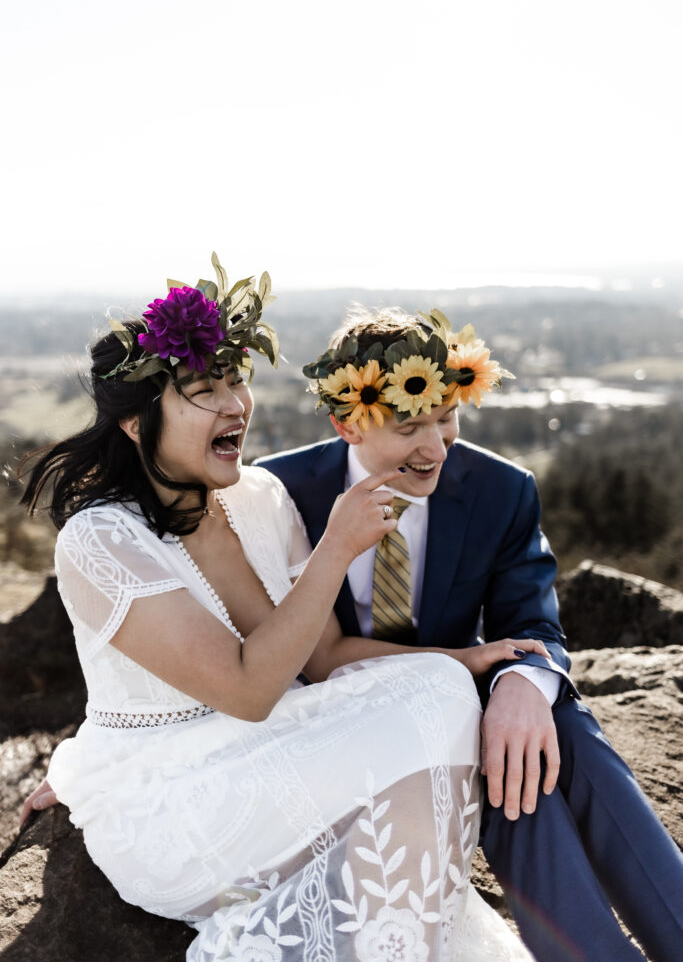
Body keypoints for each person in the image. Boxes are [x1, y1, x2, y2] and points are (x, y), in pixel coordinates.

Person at [19, 256, 536, 962]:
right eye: (203, 389)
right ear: (138, 425)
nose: (235, 405)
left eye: (237, 380)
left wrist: (463, 660)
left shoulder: (260, 498)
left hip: (267, 746)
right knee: (430, 716)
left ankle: (388, 941)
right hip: (172, 795)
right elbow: (246, 688)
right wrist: (336, 551)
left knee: (443, 691)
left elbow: (321, 659)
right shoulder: (101, 538)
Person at [255, 304, 683, 962]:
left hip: (450, 699)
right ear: (346, 421)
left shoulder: (501, 490)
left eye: (446, 417)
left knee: (545, 732)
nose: (437, 447)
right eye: (408, 426)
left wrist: (520, 686)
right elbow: (216, 631)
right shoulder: (279, 492)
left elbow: (531, 623)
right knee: (509, 751)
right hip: (329, 721)